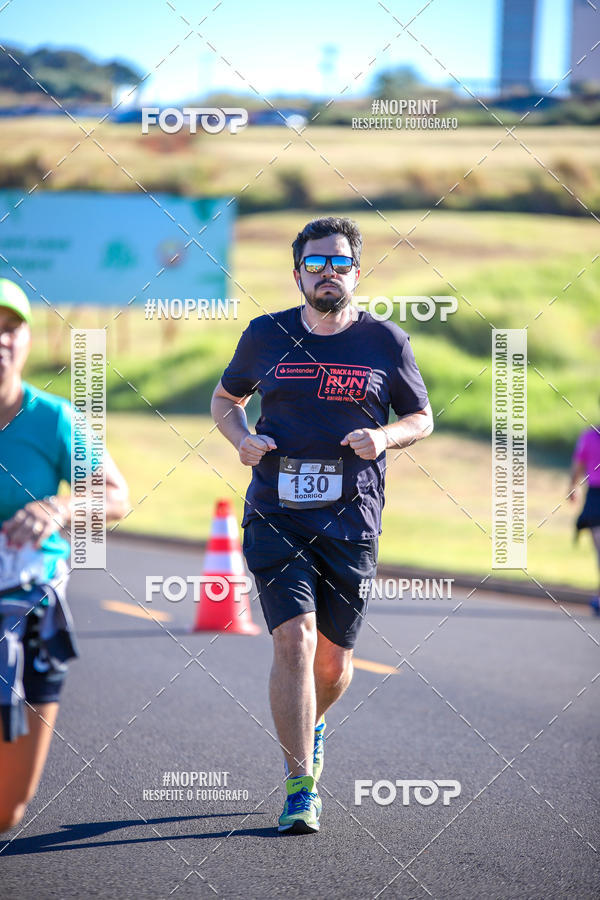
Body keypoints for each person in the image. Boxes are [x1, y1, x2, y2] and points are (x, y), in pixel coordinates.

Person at [211, 217, 433, 834]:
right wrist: (241, 438)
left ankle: (312, 720)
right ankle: (299, 786)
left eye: (338, 262)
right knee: (295, 640)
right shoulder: (266, 334)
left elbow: (421, 417)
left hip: (352, 516)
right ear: (297, 274)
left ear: (356, 272)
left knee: (332, 666)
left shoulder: (385, 342)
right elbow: (225, 398)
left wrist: (384, 435)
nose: (327, 272)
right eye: (315, 264)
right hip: (276, 511)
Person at [0, 278, 129, 834]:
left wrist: (58, 507)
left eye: (11, 328)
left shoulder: (50, 418)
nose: (1, 340)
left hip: (31, 611)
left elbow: (117, 496)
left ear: (27, 340)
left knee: (7, 809)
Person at [569, 404, 600, 614]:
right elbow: (579, 465)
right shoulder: (589, 437)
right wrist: (573, 487)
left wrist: (572, 487)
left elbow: (578, 466)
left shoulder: (589, 436)